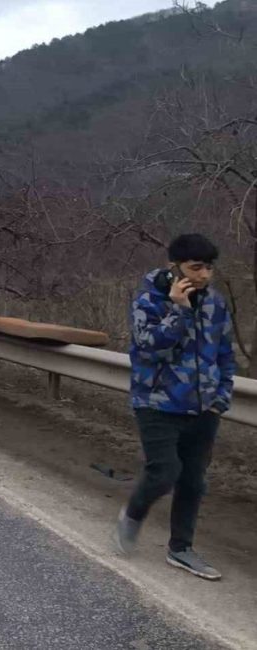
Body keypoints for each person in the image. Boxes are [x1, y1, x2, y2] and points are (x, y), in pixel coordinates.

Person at [115, 233, 234, 580]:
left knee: (194, 481)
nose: (203, 275)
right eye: (196, 268)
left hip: (203, 408)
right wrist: (179, 311)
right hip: (156, 404)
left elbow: (225, 355)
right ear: (174, 267)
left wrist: (220, 398)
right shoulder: (148, 300)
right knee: (165, 471)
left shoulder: (215, 304)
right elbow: (149, 346)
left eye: (208, 268)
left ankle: (181, 549)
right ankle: (132, 516)